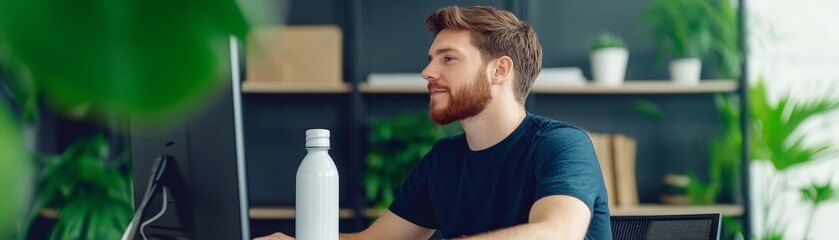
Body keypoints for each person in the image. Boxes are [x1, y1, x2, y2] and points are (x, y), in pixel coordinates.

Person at [257, 5, 611, 240]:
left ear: (499, 70)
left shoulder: (561, 144)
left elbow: (557, 231)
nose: (428, 72)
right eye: (431, 59)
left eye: (448, 59)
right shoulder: (444, 159)